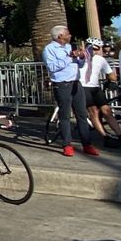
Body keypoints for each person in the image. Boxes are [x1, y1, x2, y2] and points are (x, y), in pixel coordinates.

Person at [43, 26, 97, 157]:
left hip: (76, 83)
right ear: (60, 36)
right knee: (65, 115)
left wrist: (82, 57)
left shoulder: (70, 47)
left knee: (82, 114)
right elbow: (51, 67)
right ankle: (67, 144)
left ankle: (87, 144)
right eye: (67, 33)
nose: (70, 35)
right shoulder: (49, 49)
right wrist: (69, 57)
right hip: (62, 84)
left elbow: (79, 64)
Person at [79, 38, 121, 148]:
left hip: (95, 87)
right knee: (94, 112)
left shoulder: (100, 59)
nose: (95, 51)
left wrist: (111, 80)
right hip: (83, 87)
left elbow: (111, 74)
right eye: (93, 48)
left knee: (107, 111)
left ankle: (120, 136)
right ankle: (105, 137)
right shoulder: (80, 57)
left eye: (97, 49)